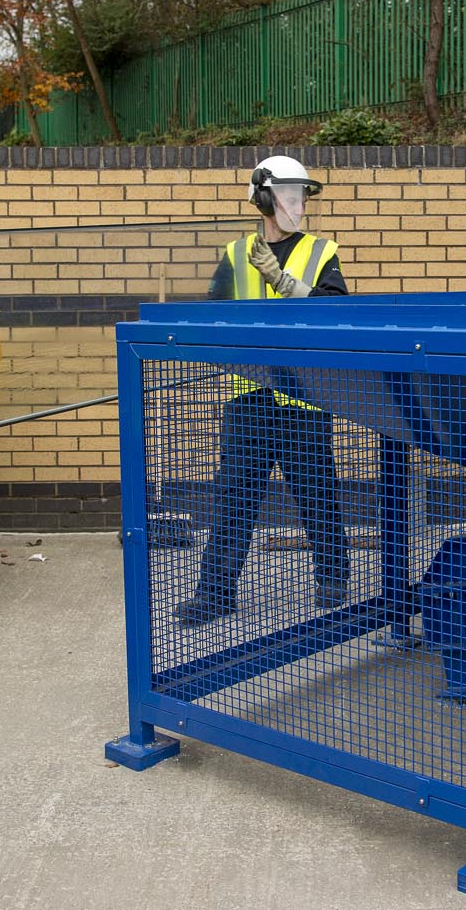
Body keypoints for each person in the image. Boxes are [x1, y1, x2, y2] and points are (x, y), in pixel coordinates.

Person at [174, 155, 350, 626]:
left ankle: (333, 576)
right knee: (234, 497)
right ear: (264, 197)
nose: (297, 203)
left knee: (317, 492)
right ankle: (215, 592)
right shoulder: (235, 254)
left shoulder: (321, 251)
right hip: (249, 396)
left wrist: (284, 282)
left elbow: (338, 313)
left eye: (301, 195)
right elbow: (214, 317)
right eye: (289, 194)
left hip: (305, 395)